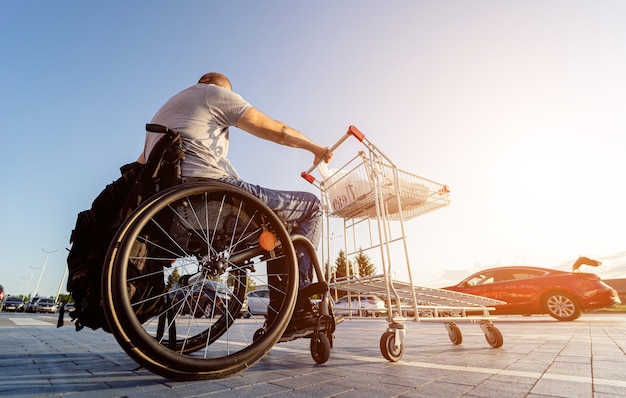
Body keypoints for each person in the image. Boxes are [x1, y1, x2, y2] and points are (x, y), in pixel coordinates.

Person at [138, 72, 333, 332]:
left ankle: (282, 312)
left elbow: (139, 166)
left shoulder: (163, 113)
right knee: (311, 206)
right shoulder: (212, 94)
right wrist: (316, 148)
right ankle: (296, 301)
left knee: (277, 229)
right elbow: (281, 132)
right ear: (222, 89)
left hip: (172, 212)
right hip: (213, 197)